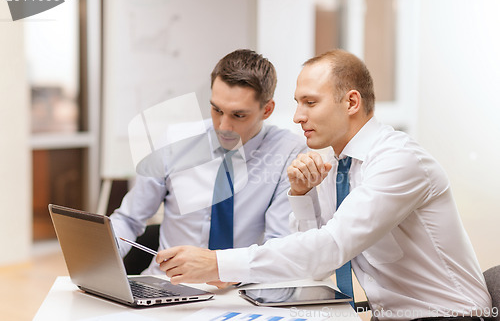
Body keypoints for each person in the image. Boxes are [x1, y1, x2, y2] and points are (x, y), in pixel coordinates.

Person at [155, 49, 493, 319]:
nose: (298, 116)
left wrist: (217, 263)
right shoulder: (335, 163)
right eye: (297, 103)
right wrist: (302, 196)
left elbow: (331, 246)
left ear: (351, 103)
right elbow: (320, 265)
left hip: (450, 317)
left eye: (310, 102)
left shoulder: (398, 161)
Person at [111, 49, 307, 279]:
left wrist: (227, 269)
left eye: (238, 115)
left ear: (267, 110)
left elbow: (279, 246)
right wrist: (97, 261)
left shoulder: (288, 153)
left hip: (242, 290)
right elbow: (128, 219)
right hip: (166, 286)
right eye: (217, 110)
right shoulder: (174, 142)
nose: (223, 126)